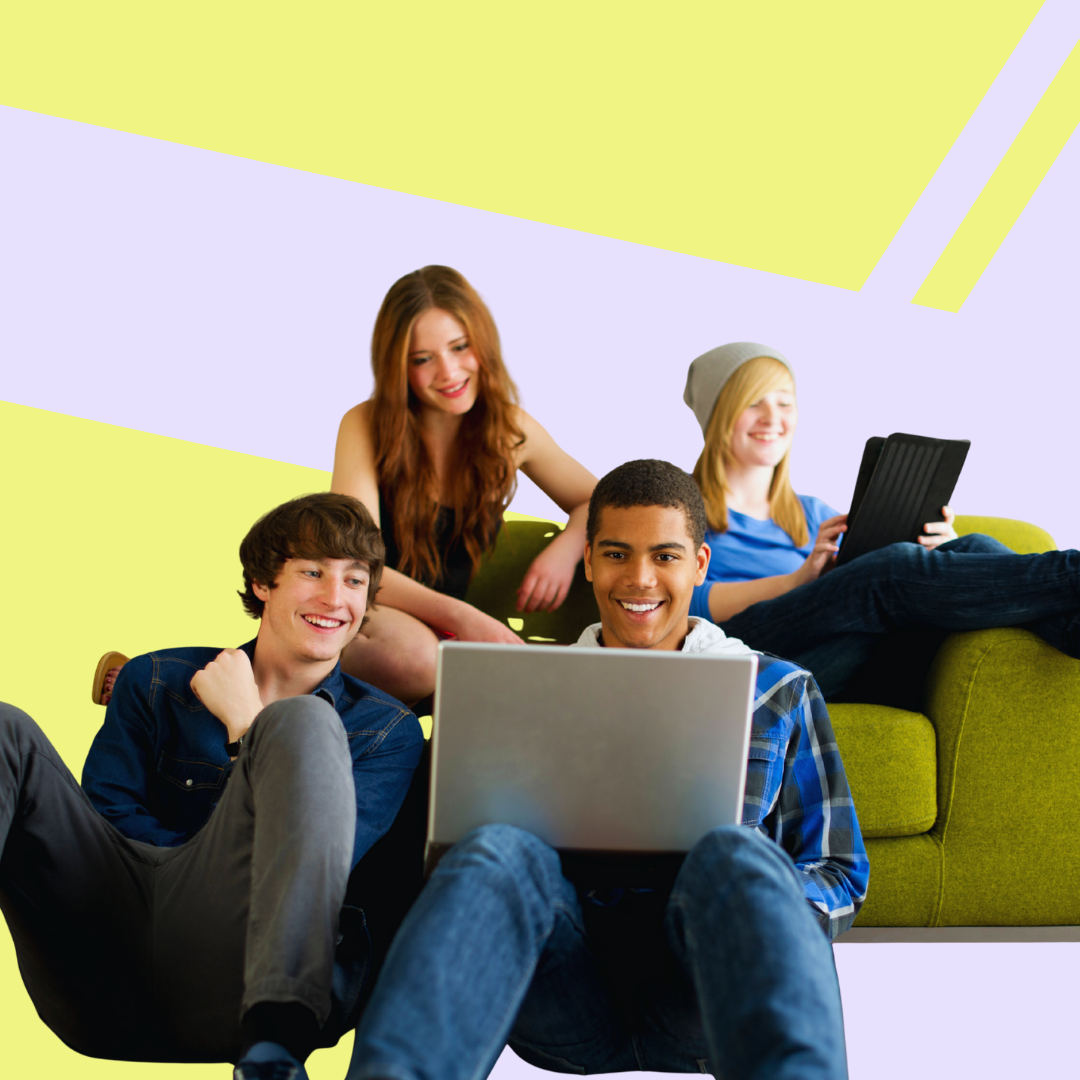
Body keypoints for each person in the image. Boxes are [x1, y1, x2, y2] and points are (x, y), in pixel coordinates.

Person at [345, 459, 867, 1080]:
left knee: (734, 852)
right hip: (566, 997)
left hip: (703, 999)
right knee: (498, 849)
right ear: (588, 561)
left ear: (700, 564)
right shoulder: (520, 688)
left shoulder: (776, 688)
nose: (640, 579)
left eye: (666, 557)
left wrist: (752, 908)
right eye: (617, 555)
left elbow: (838, 872)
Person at [0, 493, 424, 1080]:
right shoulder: (155, 679)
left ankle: (274, 1050)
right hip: (101, 951)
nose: (335, 598)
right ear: (261, 584)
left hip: (245, 974)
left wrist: (249, 727)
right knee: (2, 730)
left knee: (302, 722)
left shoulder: (388, 733)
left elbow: (322, 864)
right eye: (311, 572)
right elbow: (108, 818)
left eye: (355, 581)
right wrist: (189, 865)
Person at [683, 341, 1080, 701]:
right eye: (754, 402)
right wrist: (798, 580)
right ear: (718, 414)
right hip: (747, 659)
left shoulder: (816, 514)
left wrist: (943, 560)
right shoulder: (681, 512)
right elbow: (686, 605)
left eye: (784, 402)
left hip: (840, 660)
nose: (773, 416)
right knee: (886, 574)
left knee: (970, 548)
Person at [330, 265, 597, 703]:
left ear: (483, 343)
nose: (449, 372)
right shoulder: (364, 424)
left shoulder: (511, 429)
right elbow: (356, 566)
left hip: (446, 634)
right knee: (421, 659)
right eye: (422, 359)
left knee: (578, 669)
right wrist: (464, 618)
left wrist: (566, 549)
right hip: (368, 610)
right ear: (398, 365)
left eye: (460, 347)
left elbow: (602, 501)